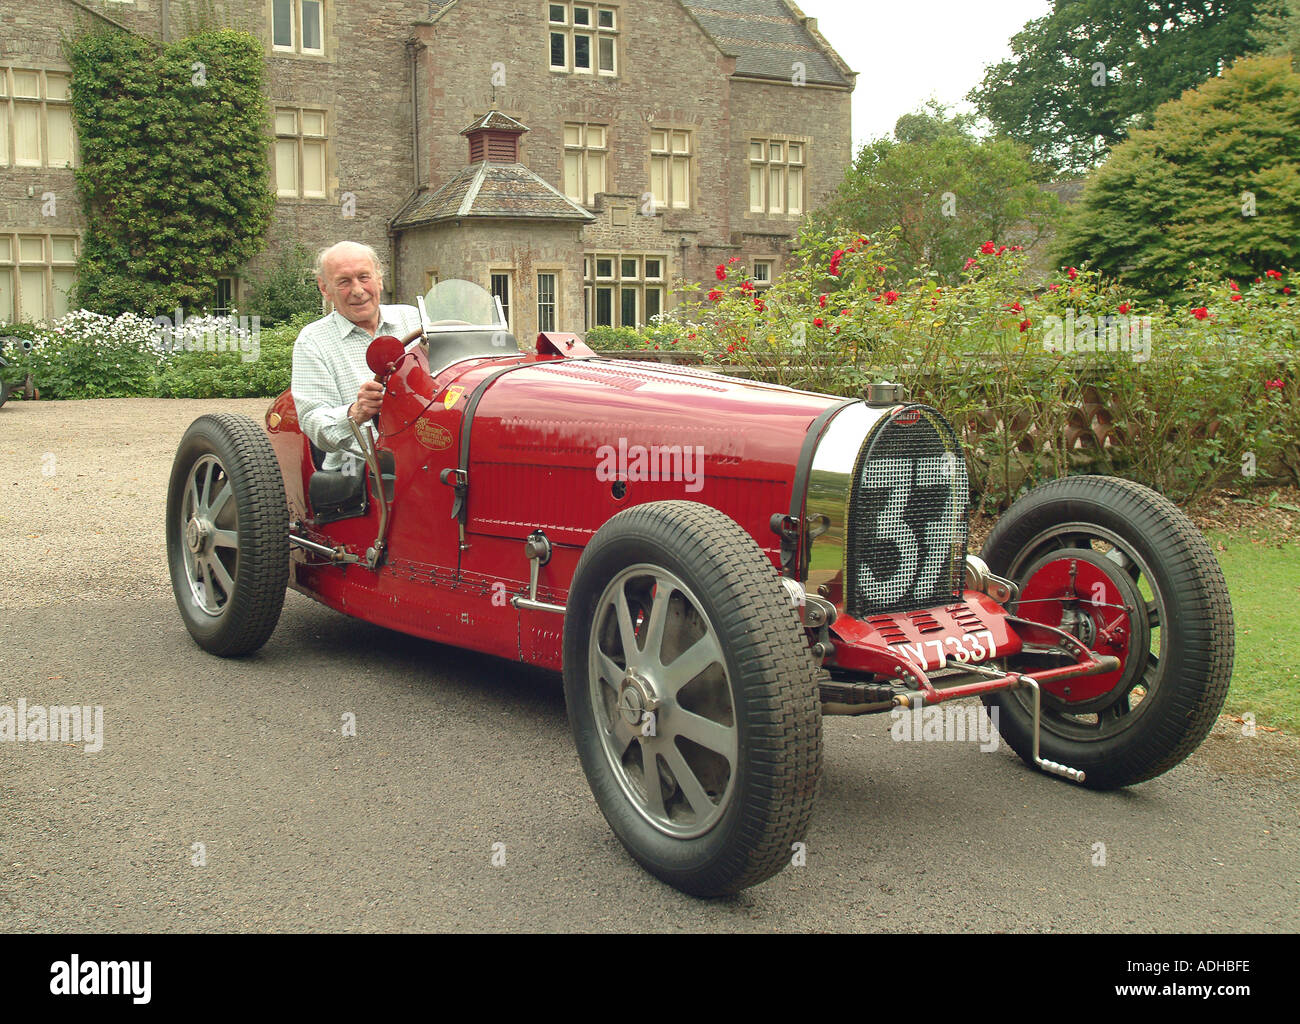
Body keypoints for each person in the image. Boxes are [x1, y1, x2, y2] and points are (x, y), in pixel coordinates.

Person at [291, 241, 422, 472]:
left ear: (379, 280)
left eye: (364, 277)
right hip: (360, 470)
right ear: (324, 288)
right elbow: (314, 424)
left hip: (426, 455)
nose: (358, 291)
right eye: (343, 281)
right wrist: (355, 412)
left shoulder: (414, 319)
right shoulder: (312, 341)